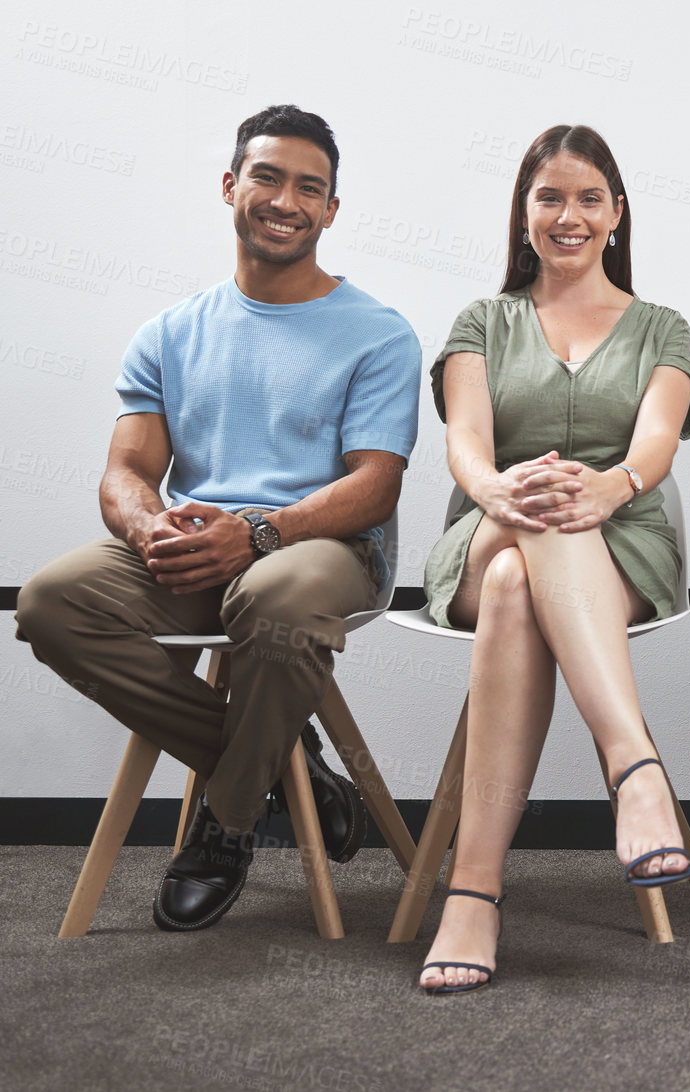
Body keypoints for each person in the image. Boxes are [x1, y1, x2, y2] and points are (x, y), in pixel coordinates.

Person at [15, 105, 419, 931]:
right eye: (268, 177)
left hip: (321, 548)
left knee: (269, 601)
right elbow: (128, 470)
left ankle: (227, 821)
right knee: (52, 602)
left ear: (331, 211)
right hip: (203, 548)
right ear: (231, 185)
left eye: (311, 188)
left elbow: (375, 487)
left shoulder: (378, 334)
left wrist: (262, 533)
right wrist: (148, 528)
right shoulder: (170, 332)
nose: (286, 199)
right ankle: (279, 764)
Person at [413, 124, 690, 995]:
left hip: (621, 540)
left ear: (617, 213)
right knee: (531, 523)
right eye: (549, 197)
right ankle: (632, 766)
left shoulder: (662, 326)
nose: (567, 216)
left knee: (519, 579)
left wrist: (611, 487)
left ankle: (472, 895)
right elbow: (466, 443)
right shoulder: (484, 321)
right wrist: (501, 492)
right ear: (524, 212)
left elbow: (656, 442)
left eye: (587, 198)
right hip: (489, 527)